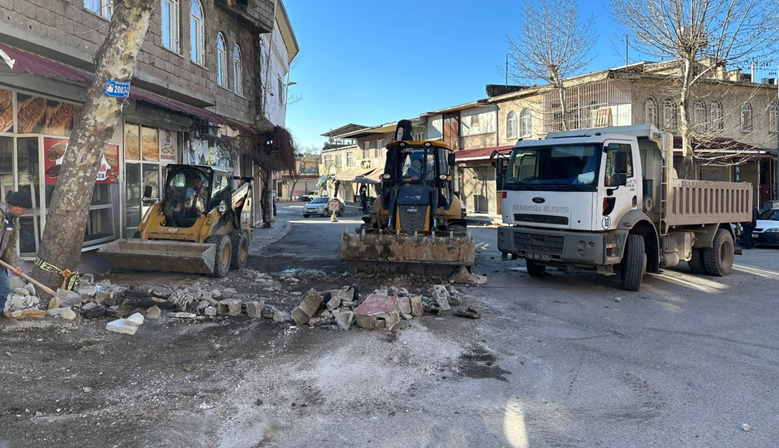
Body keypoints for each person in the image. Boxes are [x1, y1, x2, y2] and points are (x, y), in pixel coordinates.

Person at [0, 191, 31, 317]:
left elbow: (10, 246)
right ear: (16, 207)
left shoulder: (13, 221)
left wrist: (13, 265)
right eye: (24, 209)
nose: (25, 212)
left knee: (4, 287)